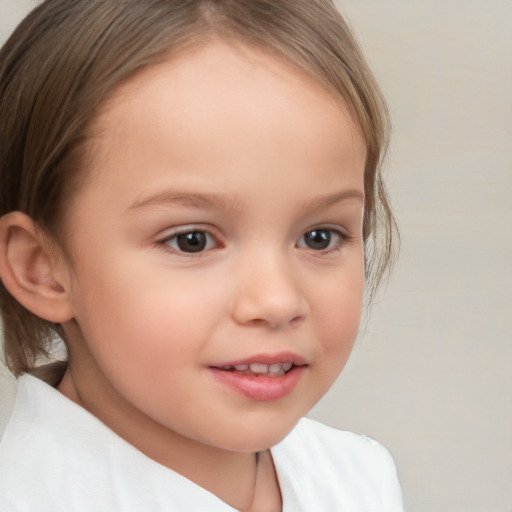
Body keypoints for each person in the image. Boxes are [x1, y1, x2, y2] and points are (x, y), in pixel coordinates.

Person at [0, 1, 403, 510]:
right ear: (43, 268)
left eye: (320, 236)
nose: (277, 301)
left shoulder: (360, 478)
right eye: (191, 240)